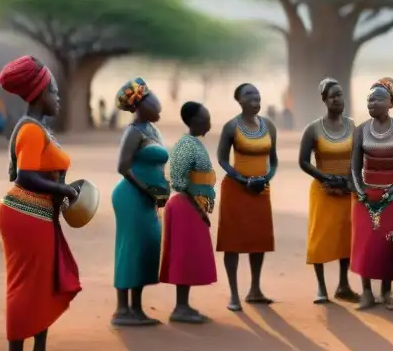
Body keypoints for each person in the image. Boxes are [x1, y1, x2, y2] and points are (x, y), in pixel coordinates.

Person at [0, 56, 82, 351]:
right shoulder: (31, 130)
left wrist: (61, 191)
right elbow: (26, 177)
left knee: (43, 283)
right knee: (24, 287)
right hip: (25, 213)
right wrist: (62, 188)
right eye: (54, 92)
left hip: (39, 213)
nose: (58, 98)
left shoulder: (37, 128)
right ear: (38, 93)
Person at [349, 78, 393, 310]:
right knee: (365, 242)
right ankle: (366, 292)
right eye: (369, 100)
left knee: (388, 242)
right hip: (365, 195)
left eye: (378, 99)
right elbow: (354, 168)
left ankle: (386, 291)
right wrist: (359, 191)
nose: (372, 103)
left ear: (391, 103)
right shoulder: (360, 131)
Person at [216, 83, 279, 312]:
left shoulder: (269, 126)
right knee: (232, 242)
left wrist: (266, 178)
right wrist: (243, 180)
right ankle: (234, 294)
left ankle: (255, 289)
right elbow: (222, 159)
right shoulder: (232, 126)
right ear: (239, 101)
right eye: (248, 94)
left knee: (259, 240)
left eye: (257, 93)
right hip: (236, 189)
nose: (255, 97)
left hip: (261, 189)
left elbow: (274, 160)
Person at [111, 78, 168, 327]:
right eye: (153, 100)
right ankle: (122, 310)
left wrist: (160, 190)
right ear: (141, 103)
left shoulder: (152, 130)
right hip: (131, 197)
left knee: (147, 248)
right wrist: (147, 190)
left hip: (148, 198)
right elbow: (123, 166)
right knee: (130, 248)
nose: (159, 105)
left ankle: (137, 308)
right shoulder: (133, 131)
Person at [299, 78, 359, 304]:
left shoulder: (353, 126)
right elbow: (304, 161)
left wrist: (348, 180)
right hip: (323, 190)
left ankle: (343, 285)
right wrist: (326, 177)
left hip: (347, 189)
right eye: (332, 95)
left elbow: (357, 156)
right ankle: (321, 288)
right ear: (324, 100)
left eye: (340, 94)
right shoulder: (313, 129)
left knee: (346, 237)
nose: (337, 99)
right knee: (320, 238)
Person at [160, 101, 218, 323]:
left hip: (191, 205)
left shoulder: (193, 143)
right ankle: (180, 308)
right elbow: (179, 181)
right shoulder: (186, 145)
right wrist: (199, 208)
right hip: (186, 206)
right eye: (206, 119)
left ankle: (183, 305)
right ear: (194, 121)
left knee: (191, 255)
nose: (209, 124)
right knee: (184, 256)